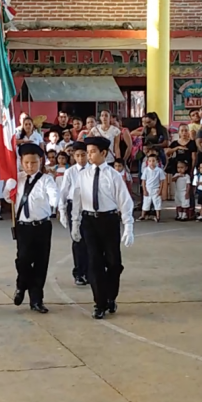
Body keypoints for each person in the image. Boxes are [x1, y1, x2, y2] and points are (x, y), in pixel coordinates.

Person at [70, 137, 135, 320]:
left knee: (114, 263)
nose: (88, 155)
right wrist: (75, 222)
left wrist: (128, 226)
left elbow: (125, 201)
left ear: (104, 153)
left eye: (92, 152)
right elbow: (77, 199)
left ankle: (110, 297)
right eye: (87, 151)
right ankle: (99, 303)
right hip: (90, 221)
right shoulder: (82, 175)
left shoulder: (113, 175)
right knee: (94, 263)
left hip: (109, 220)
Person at [5, 143, 58, 313]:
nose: (29, 166)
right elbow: (7, 198)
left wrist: (54, 202)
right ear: (21, 161)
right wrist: (9, 184)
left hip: (42, 226)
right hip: (23, 227)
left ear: (40, 161)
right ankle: (21, 285)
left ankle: (36, 299)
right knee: (23, 260)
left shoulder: (46, 179)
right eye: (26, 162)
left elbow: (53, 193)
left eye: (33, 163)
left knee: (41, 263)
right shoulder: (17, 178)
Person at [58, 142, 90, 286]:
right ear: (73, 156)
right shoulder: (70, 172)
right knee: (77, 240)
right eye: (78, 155)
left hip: (89, 206)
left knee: (90, 241)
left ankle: (90, 272)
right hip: (73, 207)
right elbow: (64, 191)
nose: (81, 158)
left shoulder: (92, 170)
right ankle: (79, 272)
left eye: (83, 155)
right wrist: (62, 210)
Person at [139, 154, 166, 222]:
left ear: (157, 161)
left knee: (157, 203)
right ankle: (143, 215)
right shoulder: (146, 170)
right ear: (147, 161)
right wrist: (144, 190)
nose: (151, 162)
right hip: (148, 189)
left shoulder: (159, 170)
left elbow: (162, 181)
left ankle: (158, 216)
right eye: (150, 161)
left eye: (153, 160)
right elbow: (143, 181)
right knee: (146, 203)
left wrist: (160, 190)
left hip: (156, 189)